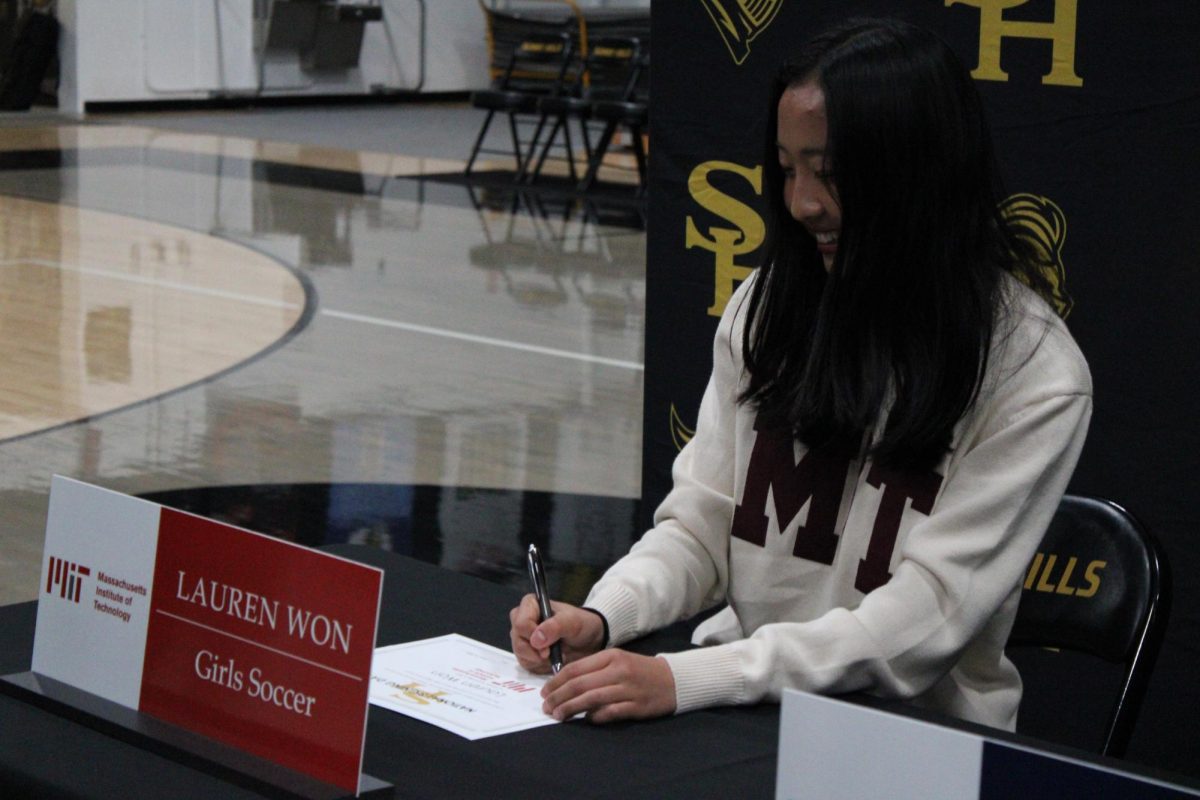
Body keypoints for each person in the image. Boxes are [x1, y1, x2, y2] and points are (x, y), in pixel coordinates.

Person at [509, 17, 1091, 730]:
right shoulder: (769, 304)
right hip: (746, 706)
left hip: (908, 742)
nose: (802, 203)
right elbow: (701, 526)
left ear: (921, 174)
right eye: (787, 169)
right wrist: (605, 613)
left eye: (831, 172)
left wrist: (686, 676)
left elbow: (922, 622)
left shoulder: (1033, 372)